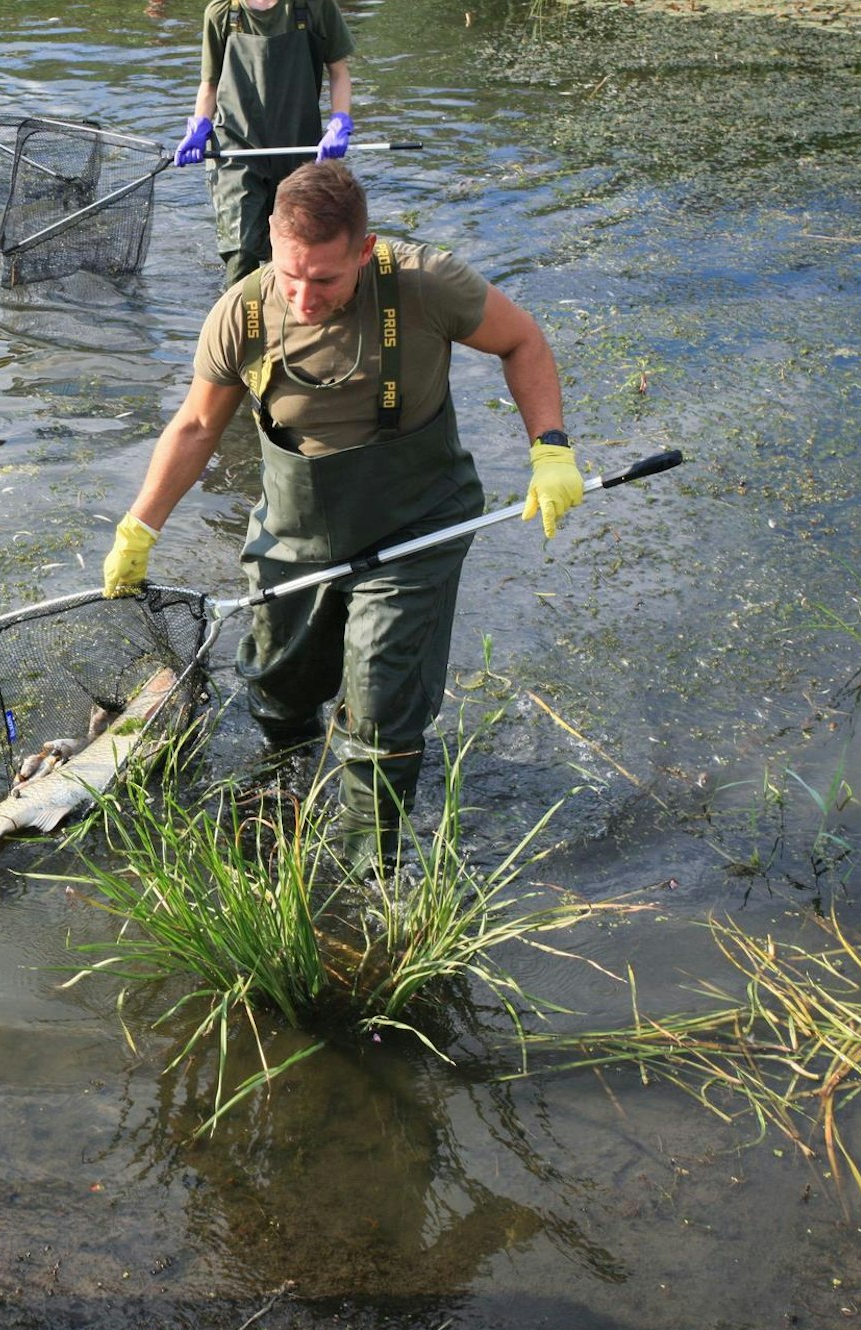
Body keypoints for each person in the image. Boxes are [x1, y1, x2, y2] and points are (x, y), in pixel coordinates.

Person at [100, 163, 584, 877]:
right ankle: (281, 796)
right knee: (280, 688)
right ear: (270, 238)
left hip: (416, 522)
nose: (304, 295)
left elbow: (523, 342)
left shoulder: (427, 285)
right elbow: (198, 425)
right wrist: (138, 528)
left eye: (324, 279)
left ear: (364, 249)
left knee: (382, 702)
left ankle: (368, 876)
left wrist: (549, 448)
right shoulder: (242, 313)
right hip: (295, 528)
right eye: (291, 273)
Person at [173, 0, 355, 287]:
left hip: (299, 148)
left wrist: (339, 121)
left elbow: (339, 71)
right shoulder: (221, 14)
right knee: (241, 251)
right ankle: (235, 323)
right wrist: (199, 127)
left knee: (291, 254)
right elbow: (209, 84)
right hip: (236, 147)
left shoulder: (314, 8)